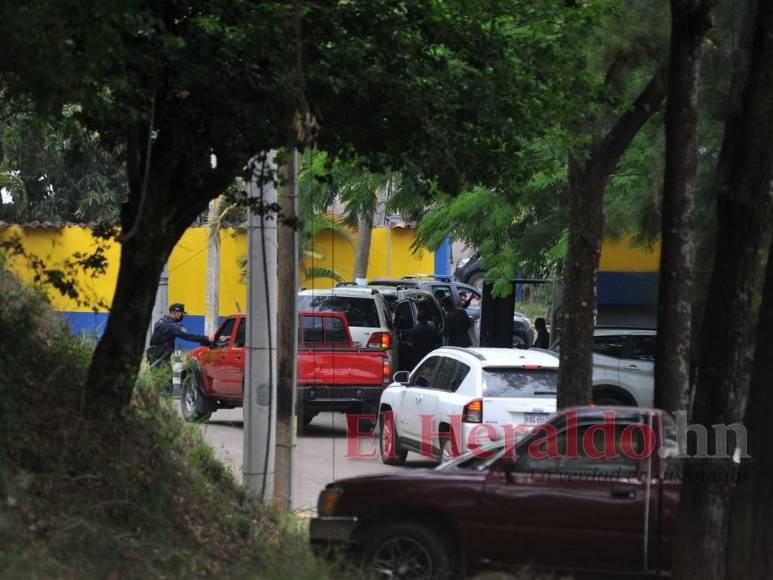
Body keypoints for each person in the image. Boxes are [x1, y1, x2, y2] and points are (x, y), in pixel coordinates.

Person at [146, 303, 211, 368]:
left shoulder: (161, 321)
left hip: (156, 355)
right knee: (163, 376)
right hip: (161, 358)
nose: (182, 315)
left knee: (162, 376)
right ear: (175, 313)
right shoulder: (170, 325)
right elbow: (188, 336)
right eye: (181, 313)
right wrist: (206, 338)